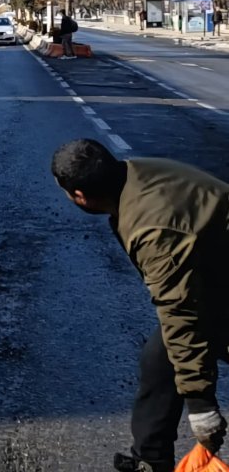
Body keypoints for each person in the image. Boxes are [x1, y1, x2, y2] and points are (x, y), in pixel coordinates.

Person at [51, 139, 229, 472]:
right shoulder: (136, 175)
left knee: (175, 343)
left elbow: (180, 314)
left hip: (217, 291)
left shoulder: (152, 228)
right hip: (217, 284)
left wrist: (201, 403)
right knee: (160, 356)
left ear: (80, 195)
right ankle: (150, 459)